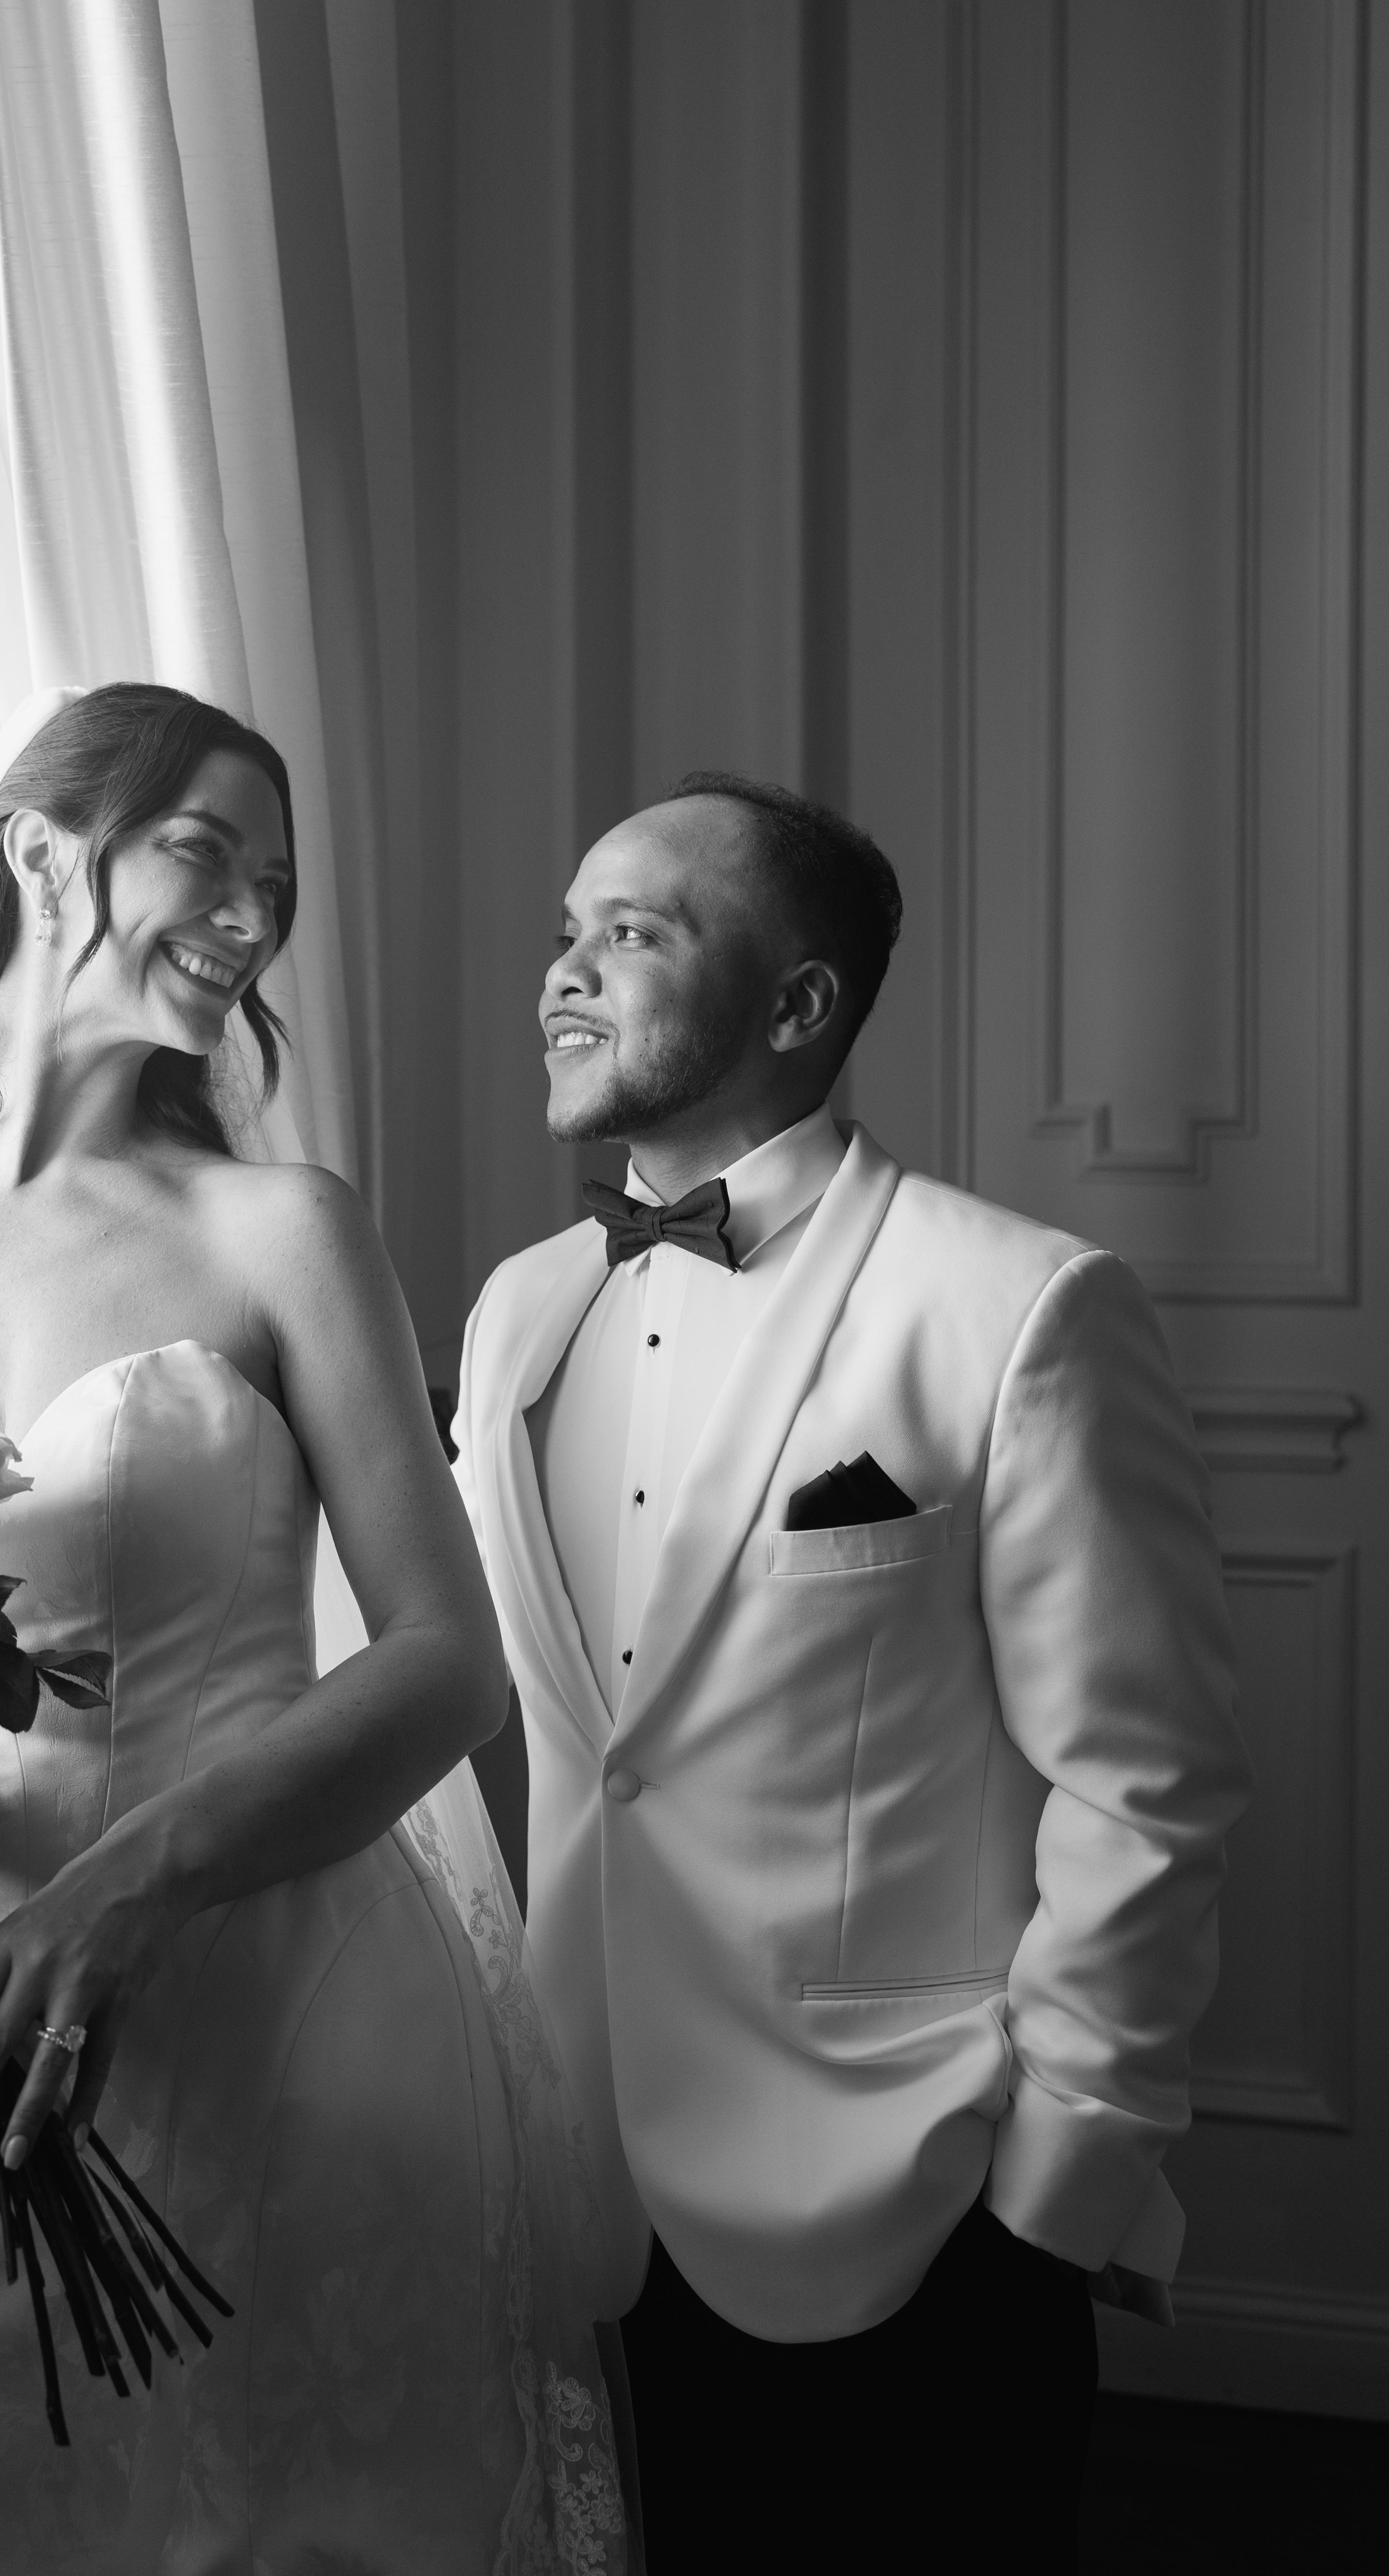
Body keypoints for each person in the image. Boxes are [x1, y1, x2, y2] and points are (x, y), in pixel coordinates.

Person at [0, 683, 629, 2576]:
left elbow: (446, 1663)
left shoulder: (280, 1231)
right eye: (209, 853)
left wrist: (132, 1883)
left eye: (277, 884)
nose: (253, 916)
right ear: (40, 854)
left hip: (288, 1996)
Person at [449, 771, 1252, 2569]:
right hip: (578, 2198)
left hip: (918, 2205)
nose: (565, 972)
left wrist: (1058, 2191)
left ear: (799, 1003)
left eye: (632, 933)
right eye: (568, 932)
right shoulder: (516, 1316)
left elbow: (1149, 1785)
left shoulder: (1022, 1307)